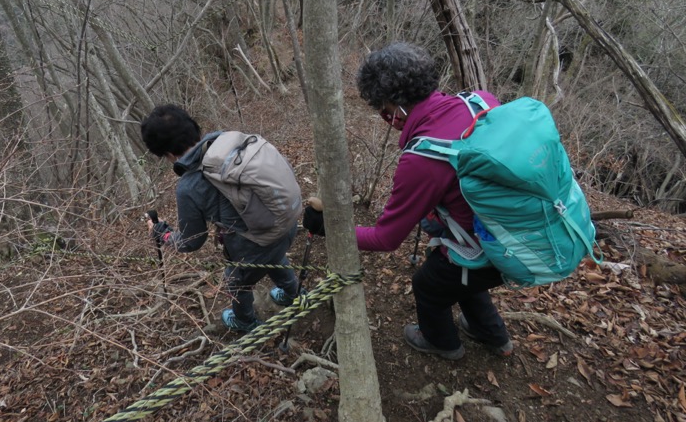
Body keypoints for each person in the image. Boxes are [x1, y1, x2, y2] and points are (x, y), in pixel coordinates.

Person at [302, 42, 512, 360]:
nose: (385, 116)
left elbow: (386, 239)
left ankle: (442, 343)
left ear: (396, 105)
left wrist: (327, 226)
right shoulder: (479, 101)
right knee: (461, 277)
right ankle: (492, 335)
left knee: (428, 284)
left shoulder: (423, 158)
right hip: (517, 228)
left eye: (383, 108)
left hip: (492, 245)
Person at [140, 104, 301, 333]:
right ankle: (293, 293)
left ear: (166, 153)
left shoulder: (189, 186)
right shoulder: (231, 140)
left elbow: (191, 242)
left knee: (236, 282)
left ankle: (245, 322)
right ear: (194, 128)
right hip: (288, 220)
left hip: (255, 245)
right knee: (274, 255)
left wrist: (161, 233)